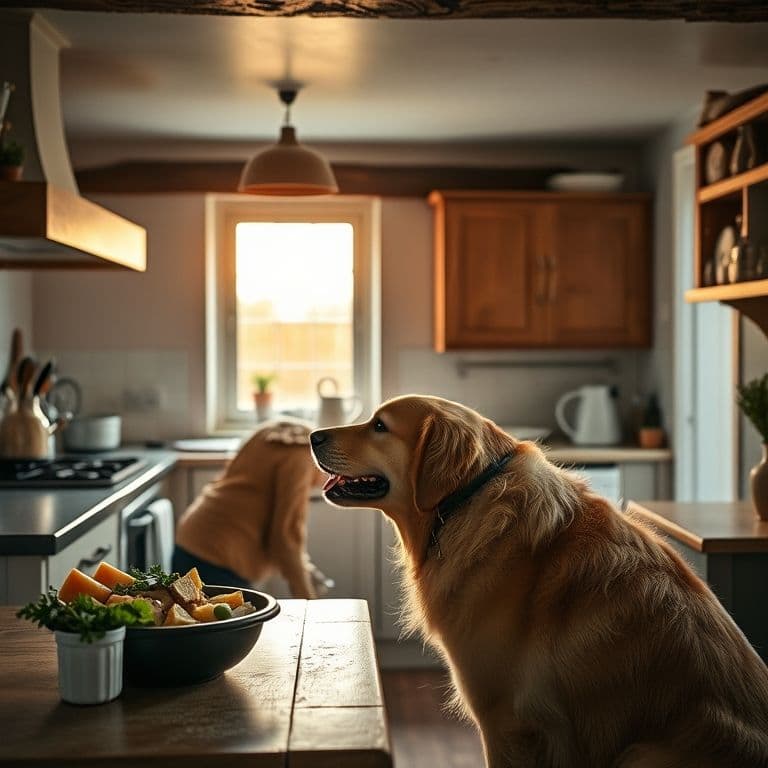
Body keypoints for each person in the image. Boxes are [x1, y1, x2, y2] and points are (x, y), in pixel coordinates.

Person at [172, 420, 329, 598]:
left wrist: (304, 567)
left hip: (191, 538)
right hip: (217, 558)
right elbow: (286, 536)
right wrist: (309, 602)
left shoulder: (275, 431)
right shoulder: (304, 458)